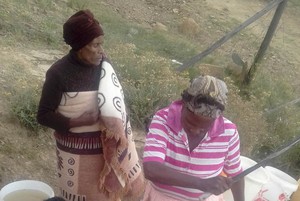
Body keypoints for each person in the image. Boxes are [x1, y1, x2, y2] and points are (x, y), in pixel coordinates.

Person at [37, 9, 144, 201]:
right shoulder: (58, 73)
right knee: (83, 194)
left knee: (110, 193)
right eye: (95, 45)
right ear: (79, 46)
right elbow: (43, 115)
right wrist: (79, 121)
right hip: (78, 154)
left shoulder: (104, 65)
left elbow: (115, 99)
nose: (101, 50)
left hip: (107, 149)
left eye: (102, 44)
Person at [142, 75, 245, 201]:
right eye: (190, 124)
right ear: (183, 105)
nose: (195, 131)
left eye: (203, 128)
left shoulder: (229, 132)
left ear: (216, 118)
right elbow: (151, 169)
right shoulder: (163, 119)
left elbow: (236, 174)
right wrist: (201, 183)